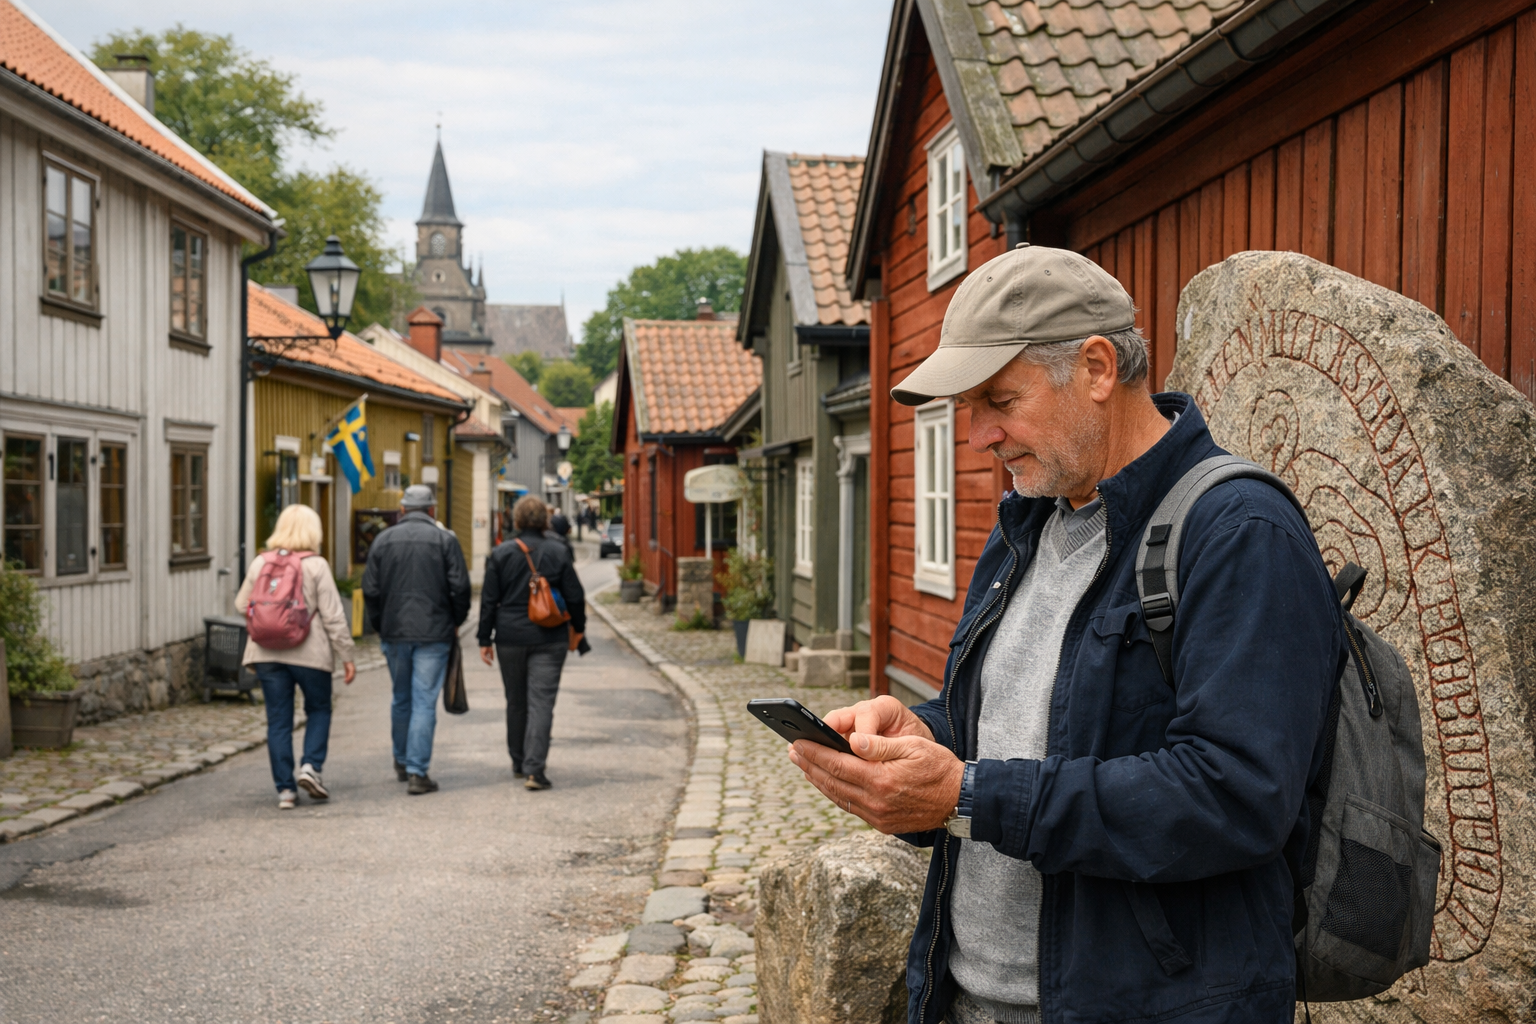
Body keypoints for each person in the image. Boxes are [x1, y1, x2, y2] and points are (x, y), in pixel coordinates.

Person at [785, 245, 1345, 1024]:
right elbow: (1026, 727)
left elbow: (1236, 795)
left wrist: (966, 794)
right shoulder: (1031, 522)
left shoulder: (1241, 532)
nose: (978, 436)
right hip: (968, 1000)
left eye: (999, 402)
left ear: (1095, 368)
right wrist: (926, 733)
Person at [235, 504, 356, 810]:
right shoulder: (316, 565)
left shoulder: (260, 562)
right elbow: (333, 616)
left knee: (278, 720)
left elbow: (240, 605)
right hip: (309, 652)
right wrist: (347, 656)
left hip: (265, 652)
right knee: (318, 709)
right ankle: (310, 767)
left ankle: (285, 791)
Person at [362, 484, 470, 795]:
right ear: (432, 509)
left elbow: (370, 588)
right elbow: (460, 587)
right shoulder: (444, 539)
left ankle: (401, 758)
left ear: (403, 509)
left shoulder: (383, 540)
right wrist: (454, 621)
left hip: (395, 630)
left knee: (401, 698)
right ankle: (417, 771)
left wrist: (381, 624)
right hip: (434, 632)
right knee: (424, 701)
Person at [478, 495, 586, 790]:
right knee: (541, 702)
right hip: (550, 637)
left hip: (510, 637)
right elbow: (575, 595)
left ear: (517, 520)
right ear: (545, 521)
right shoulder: (558, 550)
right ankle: (535, 770)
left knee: (515, 700)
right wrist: (578, 629)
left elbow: (489, 600)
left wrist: (484, 638)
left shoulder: (501, 553)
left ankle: (518, 760)